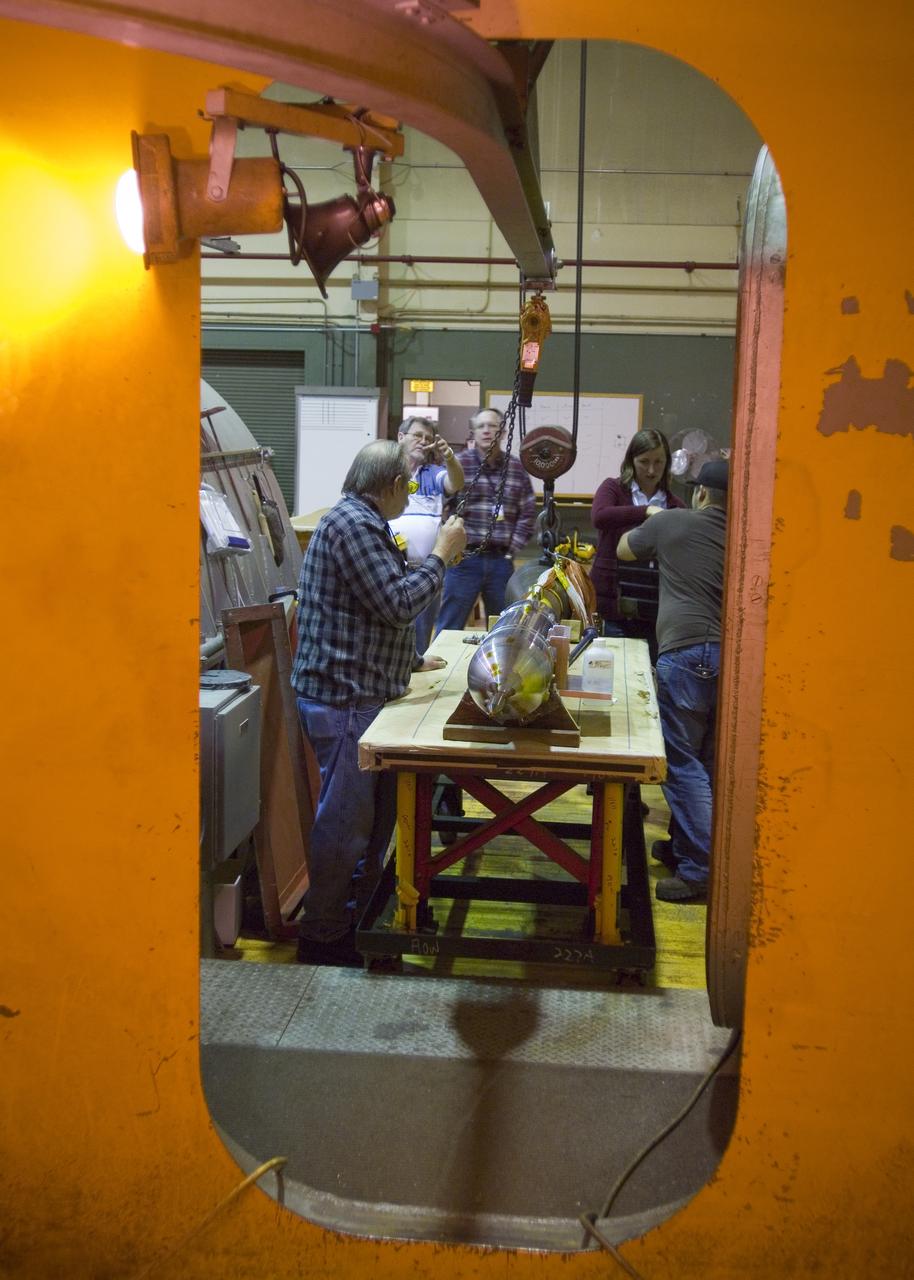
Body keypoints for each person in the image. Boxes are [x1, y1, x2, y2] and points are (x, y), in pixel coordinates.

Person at [290, 440, 466, 965]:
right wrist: (441, 555)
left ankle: (353, 917)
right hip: (345, 699)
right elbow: (394, 604)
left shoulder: (361, 521)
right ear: (390, 485)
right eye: (407, 486)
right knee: (346, 826)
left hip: (362, 691)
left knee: (368, 824)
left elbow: (357, 611)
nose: (409, 496)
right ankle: (322, 935)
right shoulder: (355, 526)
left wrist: (408, 662)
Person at [617, 458, 728, 904]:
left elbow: (625, 549)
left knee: (680, 766)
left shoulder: (673, 521)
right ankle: (683, 850)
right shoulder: (743, 532)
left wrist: (653, 517)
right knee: (706, 762)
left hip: (685, 654)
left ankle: (702, 871)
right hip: (730, 659)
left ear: (700, 493)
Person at [434, 407, 536, 634]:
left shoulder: (517, 468)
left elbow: (528, 511)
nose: (487, 431)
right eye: (481, 426)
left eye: (492, 426)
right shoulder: (458, 464)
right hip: (463, 561)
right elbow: (440, 504)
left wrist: (512, 549)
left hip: (501, 561)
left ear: (503, 432)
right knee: (449, 627)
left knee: (505, 628)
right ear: (473, 432)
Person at [590, 429, 685, 661]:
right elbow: (600, 516)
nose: (651, 470)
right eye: (644, 462)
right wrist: (646, 511)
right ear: (631, 461)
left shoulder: (675, 505)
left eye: (658, 462)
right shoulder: (613, 488)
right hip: (612, 603)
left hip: (654, 607)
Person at [388, 415, 464, 654]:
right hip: (390, 569)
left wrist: (450, 456)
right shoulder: (385, 470)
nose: (423, 441)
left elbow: (456, 483)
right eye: (417, 435)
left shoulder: (433, 473)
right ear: (401, 437)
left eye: (428, 438)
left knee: (419, 638)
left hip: (425, 571)